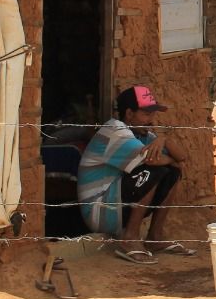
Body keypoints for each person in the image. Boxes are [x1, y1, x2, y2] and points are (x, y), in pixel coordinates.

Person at [78, 85, 190, 264]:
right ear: (129, 114)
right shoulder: (115, 130)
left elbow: (182, 157)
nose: (151, 120)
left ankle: (155, 237)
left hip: (115, 208)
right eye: (146, 114)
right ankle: (129, 238)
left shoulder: (143, 134)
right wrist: (170, 159)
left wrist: (165, 140)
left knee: (172, 172)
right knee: (154, 170)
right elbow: (153, 161)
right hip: (98, 211)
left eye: (153, 114)